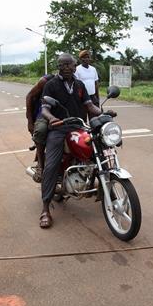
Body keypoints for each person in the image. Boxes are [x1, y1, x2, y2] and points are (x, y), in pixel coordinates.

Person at [39, 53, 113, 229]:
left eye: (69, 65)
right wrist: (50, 119)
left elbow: (89, 106)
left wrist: (103, 113)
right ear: (58, 66)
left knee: (99, 152)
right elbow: (45, 109)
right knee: (51, 165)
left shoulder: (79, 85)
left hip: (79, 127)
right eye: (62, 65)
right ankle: (45, 209)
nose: (66, 68)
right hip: (58, 127)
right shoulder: (51, 85)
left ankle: (106, 189)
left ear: (74, 66)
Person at [25, 73, 55, 182]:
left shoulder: (75, 82)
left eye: (72, 66)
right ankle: (41, 166)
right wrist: (30, 121)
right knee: (41, 130)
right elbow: (30, 96)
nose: (69, 69)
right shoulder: (45, 81)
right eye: (65, 65)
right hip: (44, 113)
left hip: (63, 113)